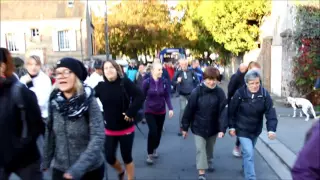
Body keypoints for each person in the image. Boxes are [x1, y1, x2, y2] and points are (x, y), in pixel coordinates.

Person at [42, 57, 105, 180]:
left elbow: (98, 136)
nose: (61, 76)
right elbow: (50, 133)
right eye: (58, 73)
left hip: (89, 170)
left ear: (76, 76)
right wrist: (46, 160)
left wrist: (78, 168)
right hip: (61, 169)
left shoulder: (89, 101)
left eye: (66, 72)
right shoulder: (54, 101)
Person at [95, 60, 144, 180]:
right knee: (109, 157)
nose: (108, 70)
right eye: (105, 68)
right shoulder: (101, 87)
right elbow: (87, 96)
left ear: (117, 69)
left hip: (126, 128)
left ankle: (131, 178)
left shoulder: (125, 83)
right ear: (103, 72)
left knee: (126, 157)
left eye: (111, 67)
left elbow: (140, 96)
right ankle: (120, 171)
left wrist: (131, 112)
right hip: (110, 129)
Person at [0, 48, 45, 180]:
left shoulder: (20, 92)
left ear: (2, 66)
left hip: (26, 160)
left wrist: (19, 147)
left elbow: (37, 125)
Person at [228, 70, 278, 180]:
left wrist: (271, 130)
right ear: (246, 83)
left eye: (257, 83)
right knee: (249, 153)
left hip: (256, 129)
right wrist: (231, 126)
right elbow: (231, 111)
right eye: (252, 83)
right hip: (241, 128)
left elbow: (270, 112)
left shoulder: (264, 94)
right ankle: (250, 177)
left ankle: (245, 167)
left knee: (248, 153)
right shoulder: (240, 94)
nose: (255, 86)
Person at [181, 67, 227, 180]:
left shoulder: (220, 93)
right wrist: (185, 127)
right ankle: (201, 173)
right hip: (198, 126)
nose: (211, 82)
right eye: (209, 79)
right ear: (204, 79)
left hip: (213, 127)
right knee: (200, 149)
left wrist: (222, 129)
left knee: (209, 149)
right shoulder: (197, 92)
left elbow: (223, 112)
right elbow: (189, 110)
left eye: (214, 79)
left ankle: (209, 160)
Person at [142, 62, 174, 165]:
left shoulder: (164, 81)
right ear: (152, 71)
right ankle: (149, 154)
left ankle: (155, 147)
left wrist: (170, 108)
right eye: (159, 70)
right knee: (153, 131)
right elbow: (141, 96)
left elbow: (167, 96)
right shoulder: (146, 82)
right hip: (149, 110)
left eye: (161, 69)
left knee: (159, 132)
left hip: (161, 111)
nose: (161, 71)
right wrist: (135, 110)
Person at [20, 55, 52, 123]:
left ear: (40, 66)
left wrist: (31, 87)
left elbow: (41, 102)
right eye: (30, 64)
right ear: (26, 66)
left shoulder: (45, 79)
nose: (33, 67)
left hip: (42, 117)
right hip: (26, 118)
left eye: (36, 64)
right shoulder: (23, 79)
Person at [172, 59, 200, 136]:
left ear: (187, 65)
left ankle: (193, 124)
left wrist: (195, 89)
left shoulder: (191, 72)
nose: (184, 66)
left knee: (193, 109)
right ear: (180, 65)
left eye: (185, 64)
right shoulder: (177, 73)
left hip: (191, 93)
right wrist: (177, 81)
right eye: (182, 64)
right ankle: (182, 127)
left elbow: (197, 81)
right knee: (183, 109)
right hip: (182, 94)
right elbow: (172, 83)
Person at [228, 63, 248, 157]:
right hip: (238, 103)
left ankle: (243, 147)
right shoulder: (235, 77)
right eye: (244, 68)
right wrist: (230, 100)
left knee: (245, 127)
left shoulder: (249, 77)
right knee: (241, 126)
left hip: (248, 104)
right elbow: (230, 90)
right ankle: (238, 146)